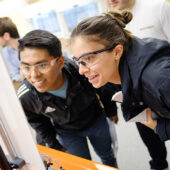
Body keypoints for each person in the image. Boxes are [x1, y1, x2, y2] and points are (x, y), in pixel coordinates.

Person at [70, 9, 170, 161]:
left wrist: (158, 126)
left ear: (117, 52)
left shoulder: (159, 81)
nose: (81, 70)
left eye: (88, 59)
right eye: (78, 61)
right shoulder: (119, 66)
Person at [17, 29, 118, 168]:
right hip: (67, 131)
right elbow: (37, 121)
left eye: (42, 65)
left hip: (95, 120)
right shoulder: (26, 96)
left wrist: (111, 110)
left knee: (107, 155)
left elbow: (103, 88)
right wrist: (54, 144)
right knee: (80, 166)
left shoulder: (81, 71)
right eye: (26, 67)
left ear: (60, 62)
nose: (34, 75)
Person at [104, 0, 170, 169]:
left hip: (162, 86)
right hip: (137, 96)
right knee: (151, 138)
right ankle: (159, 164)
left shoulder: (159, 7)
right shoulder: (110, 21)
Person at [0, 17, 22, 82]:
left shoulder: (30, 43)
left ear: (6, 36)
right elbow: (15, 75)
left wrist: (22, 72)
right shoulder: (6, 52)